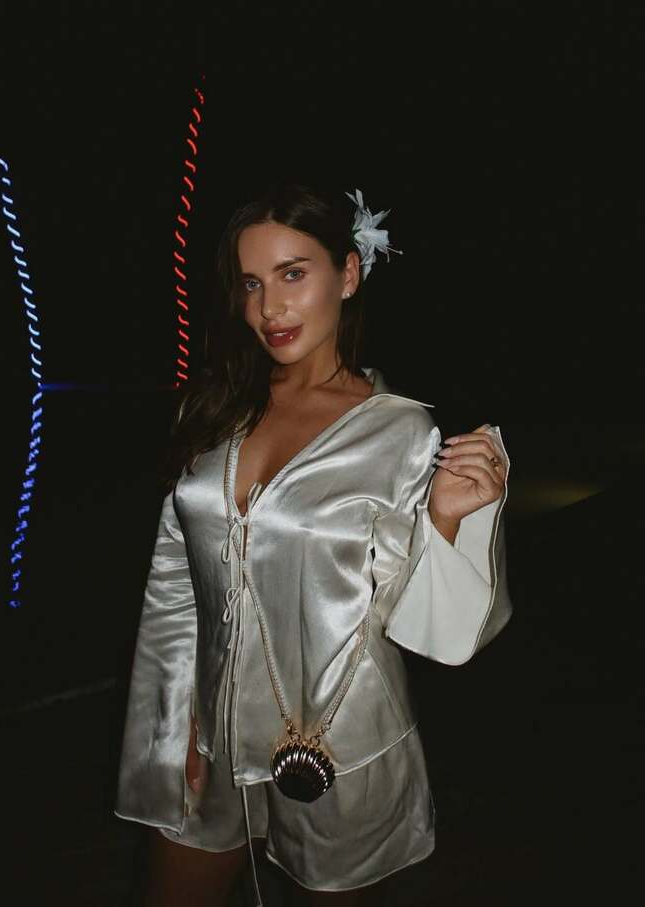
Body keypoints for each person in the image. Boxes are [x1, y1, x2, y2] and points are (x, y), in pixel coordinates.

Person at [115, 181, 513, 907]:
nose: (270, 308)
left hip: (336, 748)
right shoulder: (215, 407)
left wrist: (448, 520)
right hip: (211, 736)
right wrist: (172, 724)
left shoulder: (399, 432)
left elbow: (433, 629)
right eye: (251, 283)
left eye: (293, 273)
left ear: (348, 274)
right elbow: (177, 582)